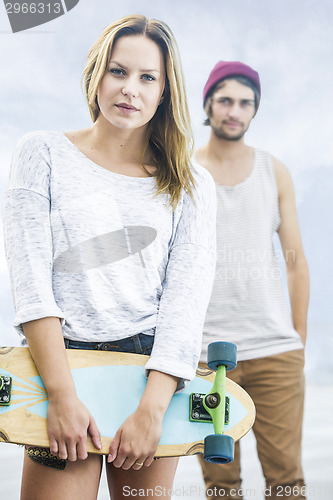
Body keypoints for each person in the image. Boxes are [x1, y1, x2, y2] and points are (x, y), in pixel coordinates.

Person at [2, 15, 216, 500]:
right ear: (97, 75)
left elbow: (185, 303)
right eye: (118, 72)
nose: (130, 90)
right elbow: (32, 283)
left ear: (164, 92)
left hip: (149, 377)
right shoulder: (41, 153)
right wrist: (60, 394)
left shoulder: (191, 183)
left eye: (148, 78)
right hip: (61, 364)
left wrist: (153, 410)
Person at [195, 61, 309, 500]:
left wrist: (298, 342)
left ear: (254, 110)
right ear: (208, 104)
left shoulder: (273, 171)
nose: (234, 111)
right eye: (225, 100)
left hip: (275, 351)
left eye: (246, 103)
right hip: (204, 357)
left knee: (287, 483)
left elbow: (296, 261)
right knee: (220, 485)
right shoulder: (184, 170)